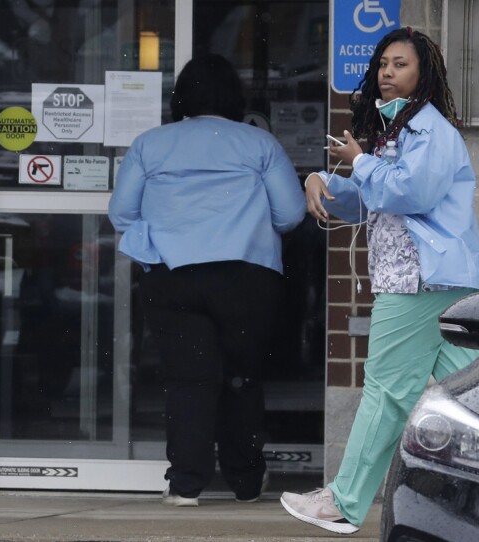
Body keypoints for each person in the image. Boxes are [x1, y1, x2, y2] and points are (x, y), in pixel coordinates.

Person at [279, 28, 479, 534]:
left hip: (416, 278)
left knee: (385, 390)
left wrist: (361, 162)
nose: (388, 74)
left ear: (424, 75)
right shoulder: (398, 131)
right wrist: (323, 180)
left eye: (400, 65)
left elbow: (410, 192)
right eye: (383, 66)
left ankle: (345, 502)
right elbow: (371, 196)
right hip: (426, 278)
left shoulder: (430, 131)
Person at [108, 53, 306, 506]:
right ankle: (245, 480)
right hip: (247, 275)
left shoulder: (150, 144)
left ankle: (185, 485)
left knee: (187, 380)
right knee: (241, 377)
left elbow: (121, 213)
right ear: (235, 97)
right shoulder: (260, 144)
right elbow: (292, 214)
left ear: (181, 98)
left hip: (172, 275)